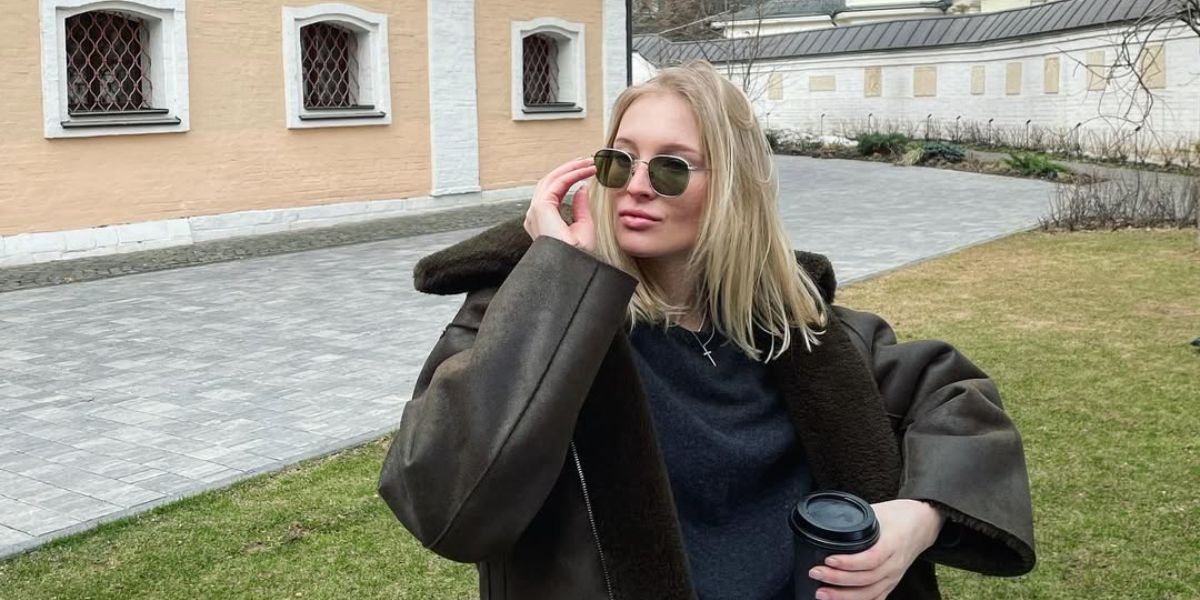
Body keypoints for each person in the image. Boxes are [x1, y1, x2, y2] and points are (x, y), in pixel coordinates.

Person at [378, 61, 1035, 600]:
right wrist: (557, 276)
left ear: (735, 188)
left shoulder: (804, 334)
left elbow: (957, 403)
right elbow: (440, 501)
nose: (636, 186)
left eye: (671, 167)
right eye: (619, 161)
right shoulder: (532, 316)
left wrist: (920, 517)